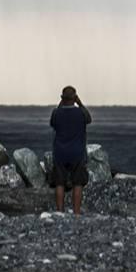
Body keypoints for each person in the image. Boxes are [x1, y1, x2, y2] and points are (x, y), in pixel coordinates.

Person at [49, 85, 93, 215]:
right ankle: (77, 213)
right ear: (75, 98)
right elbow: (89, 119)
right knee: (78, 183)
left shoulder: (56, 113)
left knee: (59, 183)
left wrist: (60, 104)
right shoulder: (81, 113)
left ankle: (60, 211)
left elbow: (53, 123)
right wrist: (80, 103)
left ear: (62, 98)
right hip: (77, 153)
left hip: (60, 153)